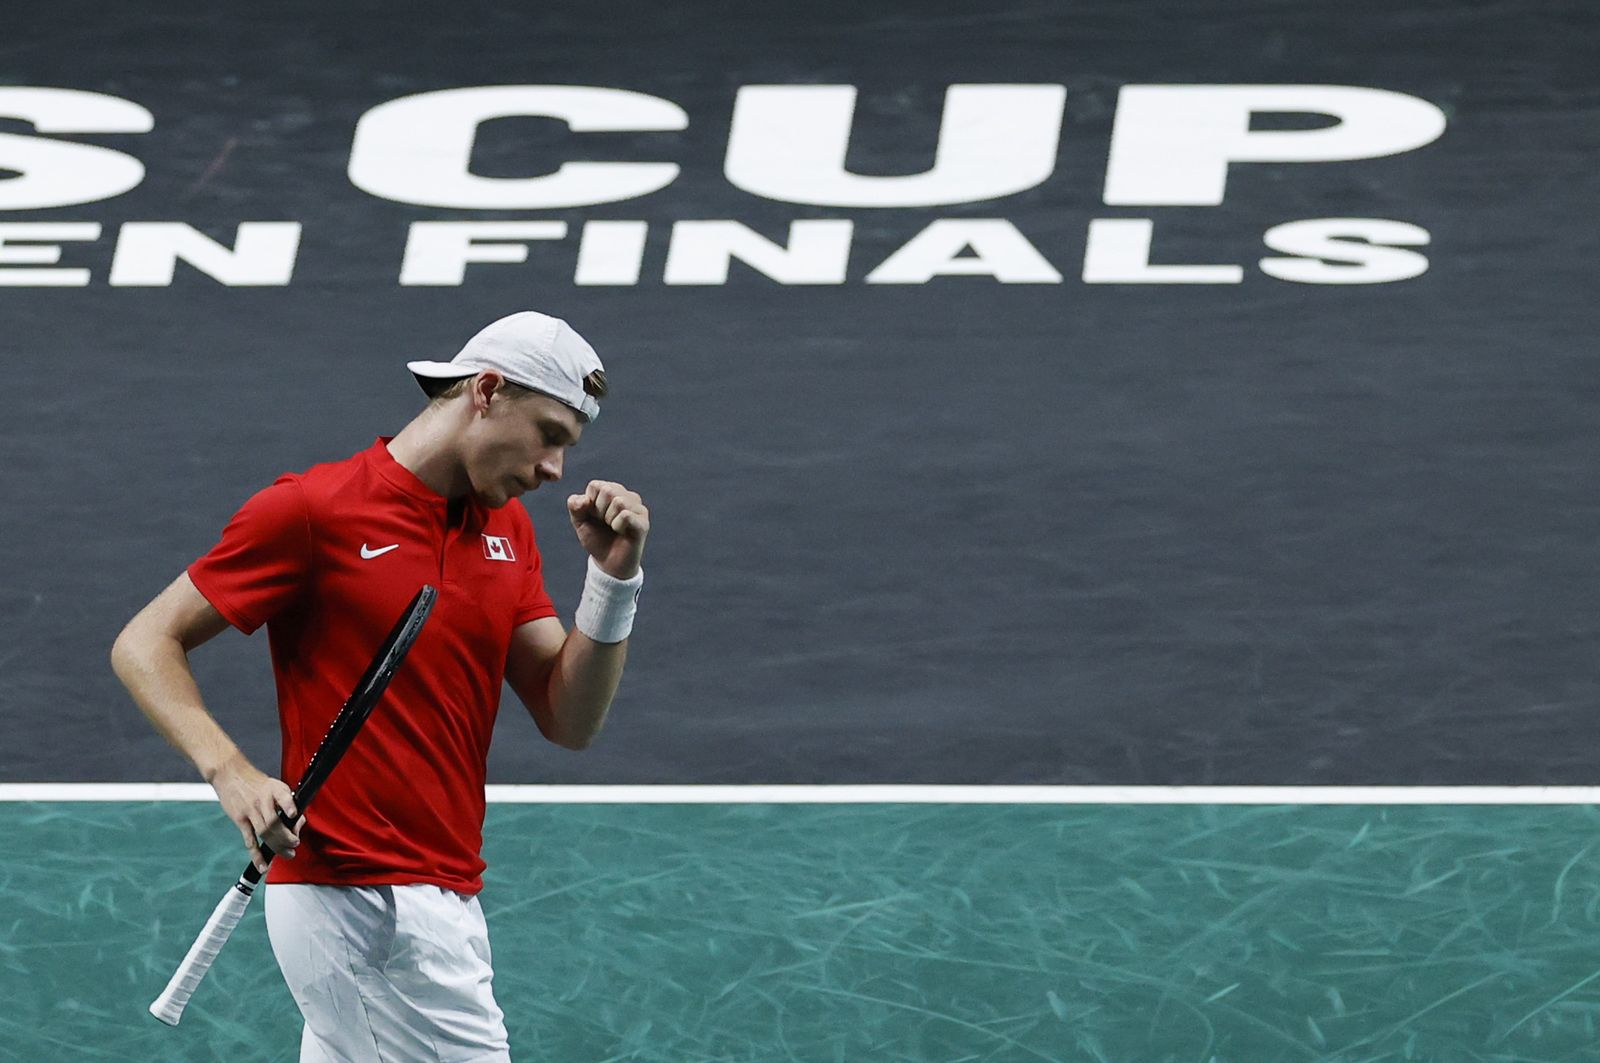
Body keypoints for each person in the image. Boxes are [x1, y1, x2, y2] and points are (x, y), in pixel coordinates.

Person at [110, 310, 649, 1062]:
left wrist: (613, 579)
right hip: (363, 897)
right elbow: (145, 640)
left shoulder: (507, 533)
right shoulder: (314, 509)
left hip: (441, 889)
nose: (554, 467)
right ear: (486, 391)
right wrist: (230, 770)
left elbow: (569, 715)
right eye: (550, 434)